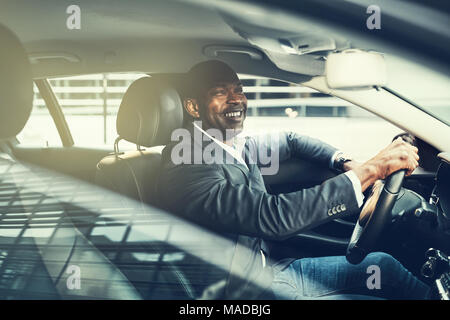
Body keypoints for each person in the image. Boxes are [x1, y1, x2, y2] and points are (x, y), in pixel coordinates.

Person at [157, 60, 431, 299]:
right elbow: (272, 216)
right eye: (220, 92)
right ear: (193, 106)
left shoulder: (230, 145)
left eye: (238, 89)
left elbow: (291, 141)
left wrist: (350, 164)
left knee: (383, 266)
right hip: (245, 293)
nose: (235, 99)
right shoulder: (186, 166)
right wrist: (371, 170)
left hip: (269, 273)